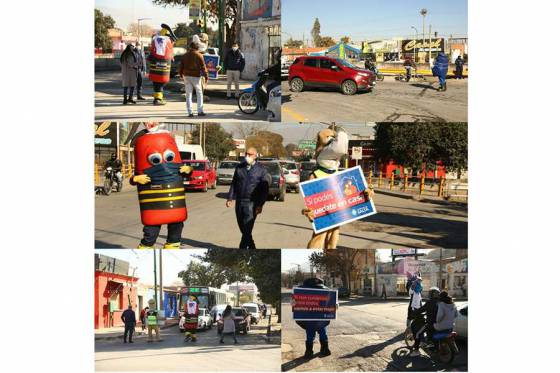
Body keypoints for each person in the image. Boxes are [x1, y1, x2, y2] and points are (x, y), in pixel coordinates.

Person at [226, 148, 269, 249]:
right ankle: (253, 247)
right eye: (246, 154)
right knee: (243, 229)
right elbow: (234, 183)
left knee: (247, 229)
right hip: (239, 202)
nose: (247, 156)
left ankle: (241, 250)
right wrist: (230, 198)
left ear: (255, 156)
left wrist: (260, 205)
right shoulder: (239, 167)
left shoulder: (261, 170)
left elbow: (265, 190)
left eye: (250, 154)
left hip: (252, 203)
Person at [295, 278, 335, 358]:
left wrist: (334, 306)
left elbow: (330, 304)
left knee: (312, 335)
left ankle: (311, 351)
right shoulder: (325, 292)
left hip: (314, 320)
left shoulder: (303, 292)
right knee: (321, 334)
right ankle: (323, 349)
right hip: (318, 319)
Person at [179, 42, 209, 117]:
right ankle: (200, 111)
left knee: (188, 95)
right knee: (199, 93)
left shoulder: (185, 55)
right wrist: (206, 77)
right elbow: (203, 67)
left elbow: (181, 66)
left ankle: (190, 112)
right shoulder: (199, 55)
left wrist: (180, 74)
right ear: (197, 47)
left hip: (186, 76)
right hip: (196, 76)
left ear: (190, 47)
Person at [410, 287, 440, 357]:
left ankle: (416, 351)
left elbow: (421, 309)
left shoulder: (430, 302)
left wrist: (414, 312)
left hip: (431, 324)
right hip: (440, 323)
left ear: (431, 294)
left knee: (417, 334)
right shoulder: (440, 302)